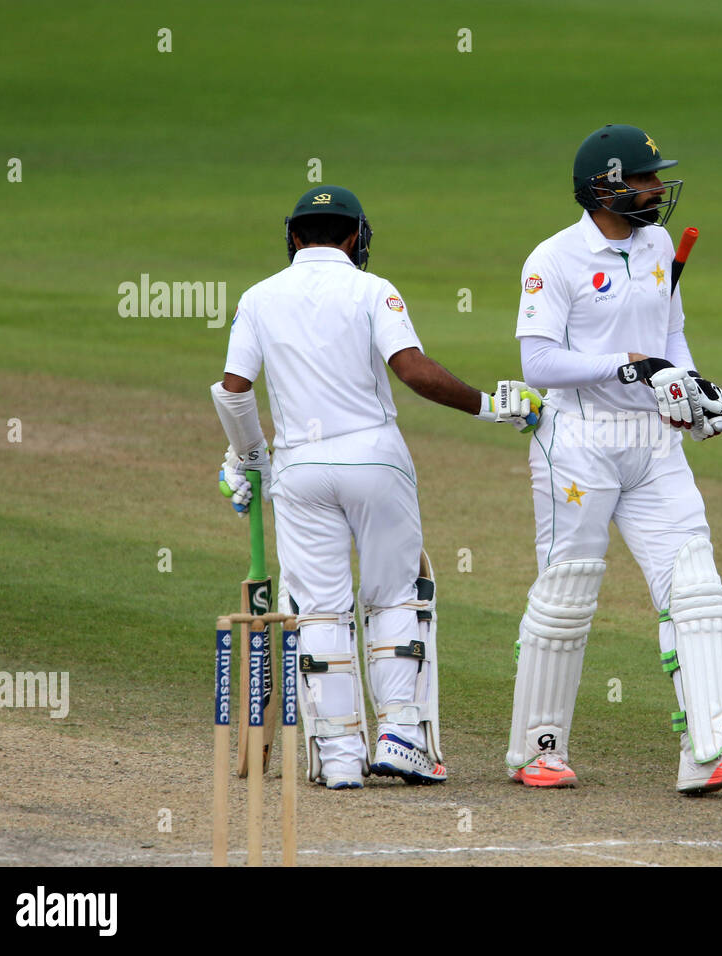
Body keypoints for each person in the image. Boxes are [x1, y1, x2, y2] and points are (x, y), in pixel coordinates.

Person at [211, 185, 540, 789]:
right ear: (356, 237)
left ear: (292, 237)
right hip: (375, 461)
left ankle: (339, 758)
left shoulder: (257, 298)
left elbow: (233, 389)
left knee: (319, 610)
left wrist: (247, 458)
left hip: (299, 470)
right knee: (394, 597)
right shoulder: (374, 289)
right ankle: (400, 737)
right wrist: (491, 406)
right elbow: (413, 371)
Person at [504, 125, 722, 794]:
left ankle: (713, 750)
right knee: (569, 592)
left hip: (654, 444)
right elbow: (536, 362)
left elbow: (670, 334)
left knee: (697, 587)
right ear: (605, 186)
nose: (659, 189)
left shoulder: (657, 243)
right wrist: (630, 369)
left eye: (659, 178)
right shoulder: (555, 258)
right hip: (577, 441)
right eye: (647, 179)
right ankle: (537, 751)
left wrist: (694, 390)